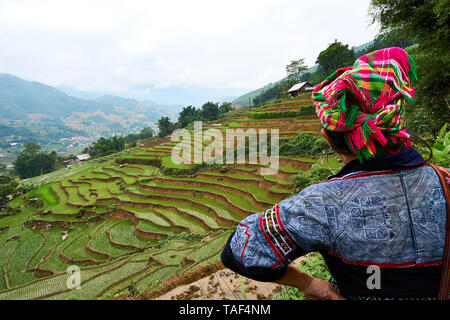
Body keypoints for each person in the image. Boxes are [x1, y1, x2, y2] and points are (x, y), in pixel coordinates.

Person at [221, 47, 448, 300]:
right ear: (395, 121)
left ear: (328, 138)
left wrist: (308, 284)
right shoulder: (446, 180)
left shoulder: (321, 203)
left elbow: (241, 248)